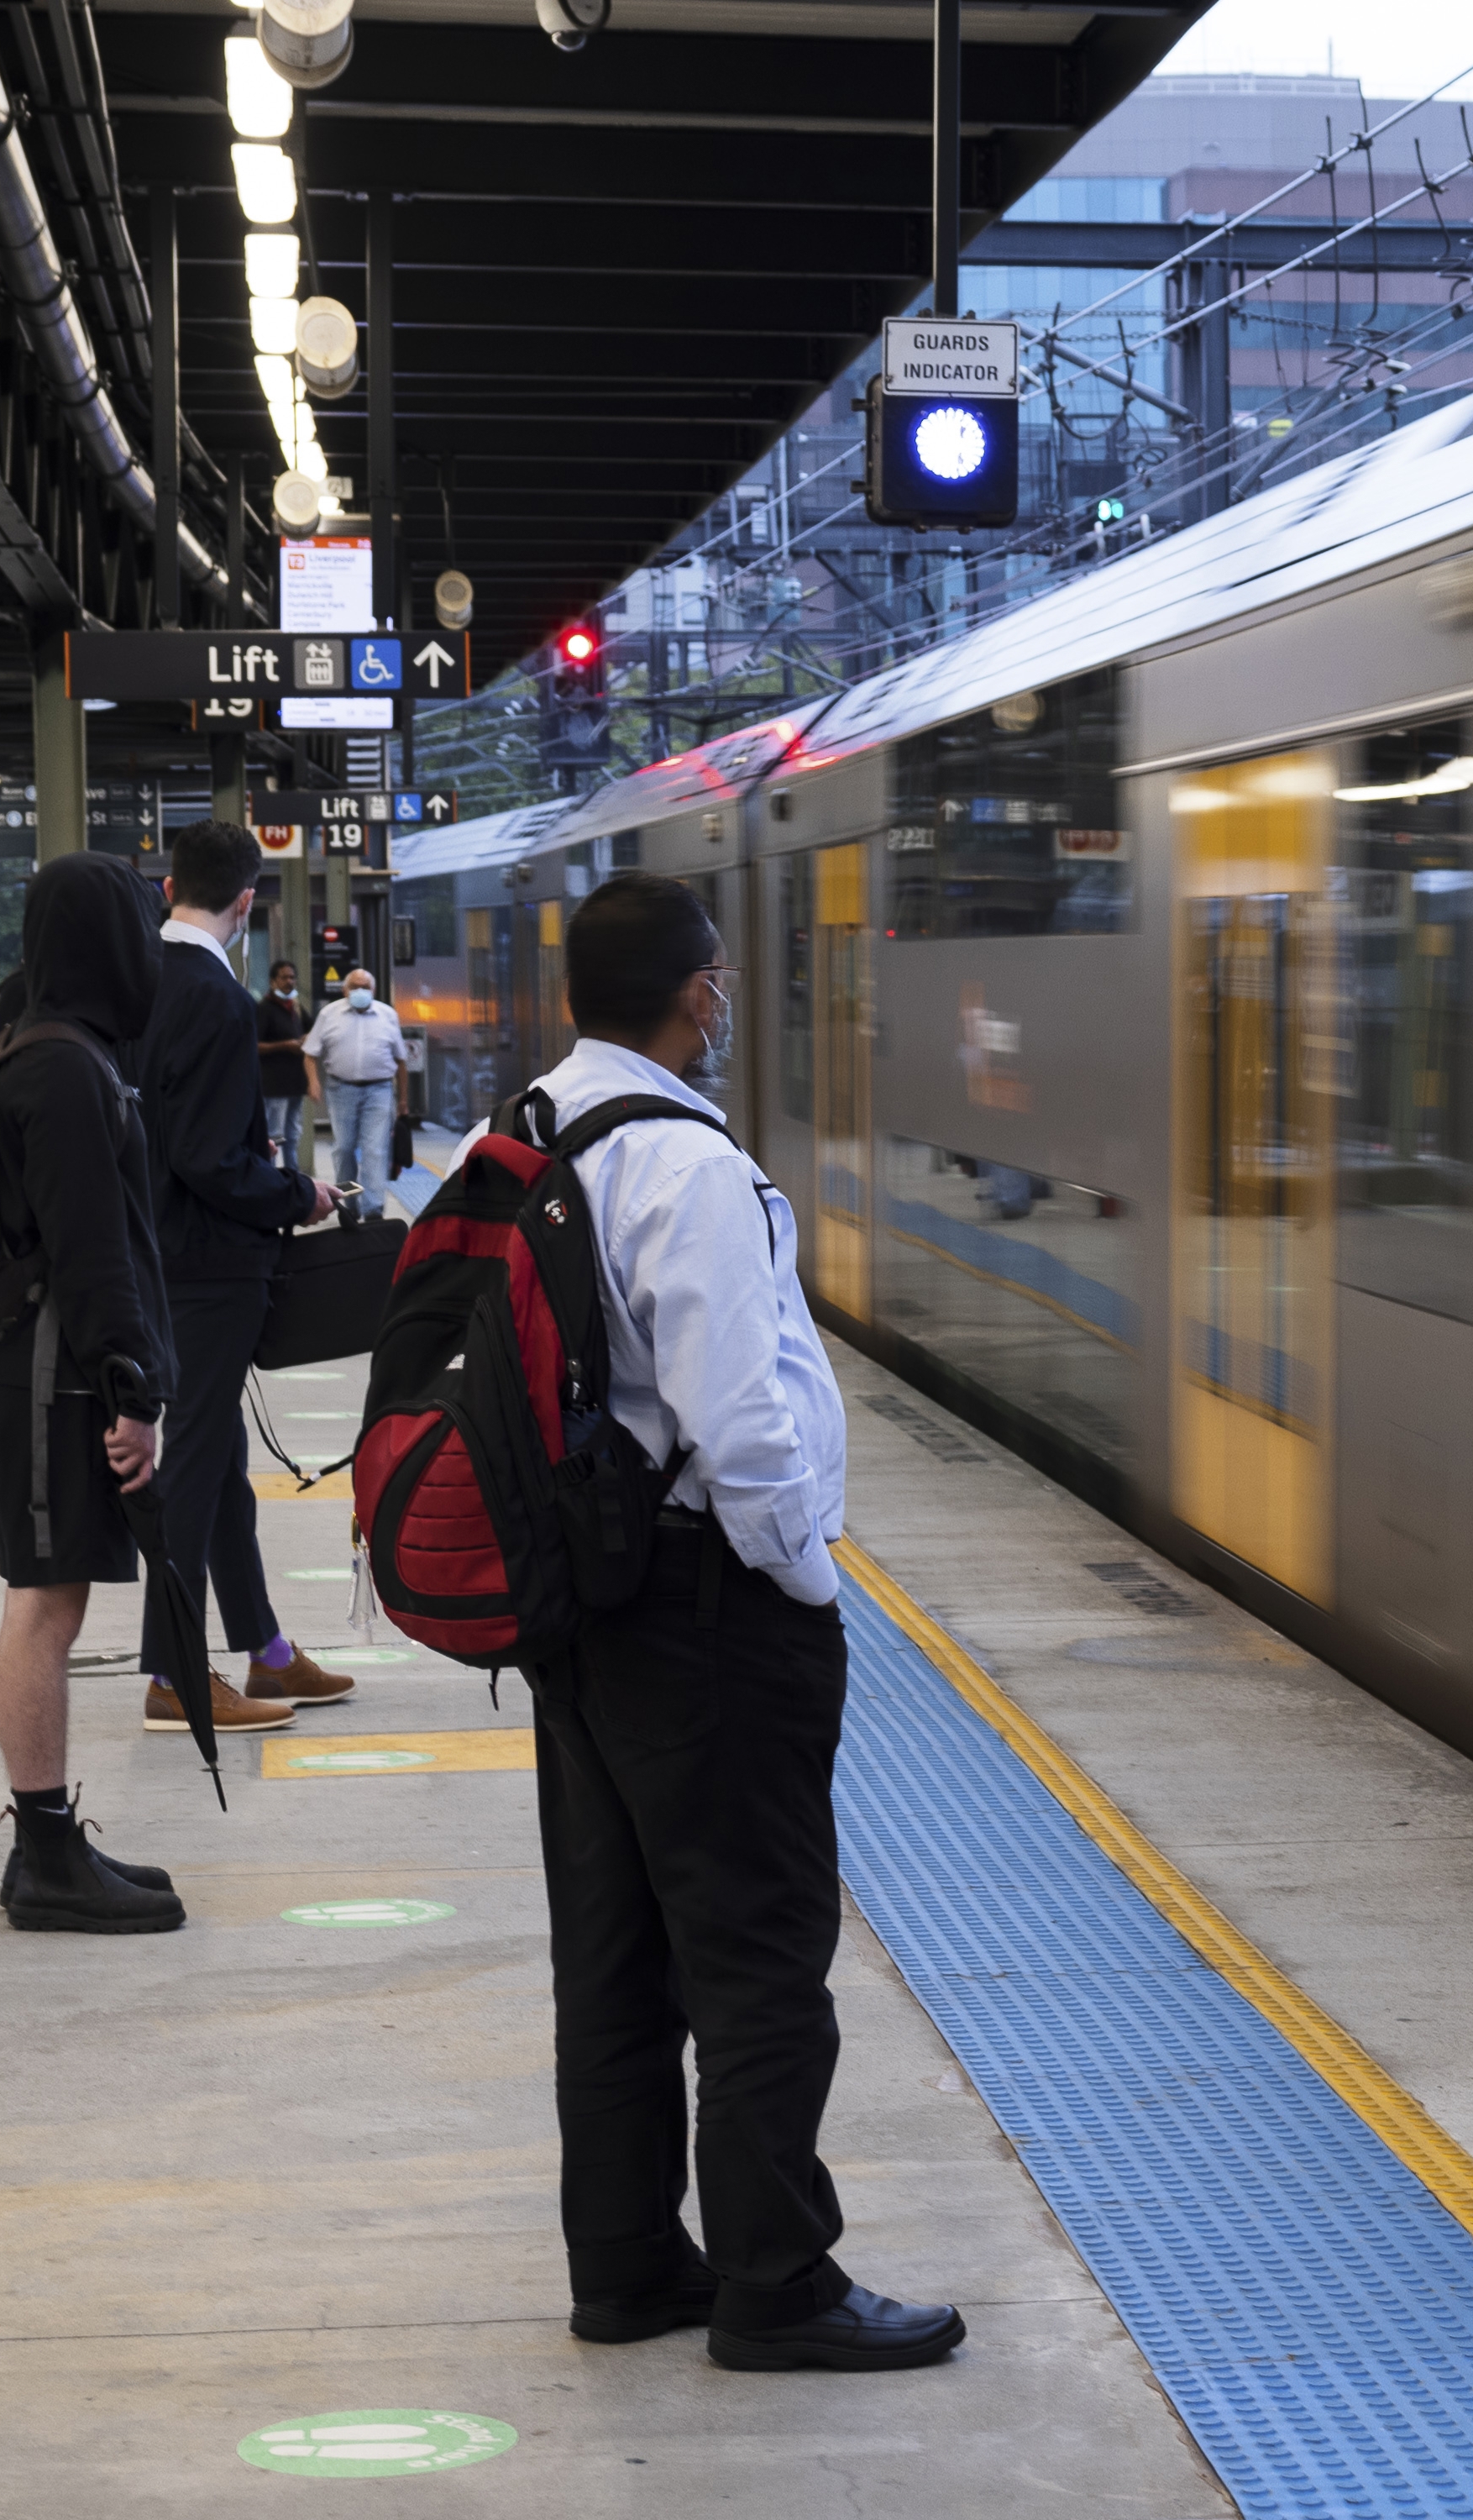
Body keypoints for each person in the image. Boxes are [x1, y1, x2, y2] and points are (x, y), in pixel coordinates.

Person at [522, 874, 960, 2372]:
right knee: (763, 1952)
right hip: (708, 1606)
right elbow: (740, 1419)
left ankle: (632, 2261)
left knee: (617, 1949)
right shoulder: (685, 1164)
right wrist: (807, 1578)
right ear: (696, 993)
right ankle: (777, 2280)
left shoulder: (526, 1130)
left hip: (582, 1608)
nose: (725, 1001)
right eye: (718, 981)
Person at [0, 855, 184, 1934]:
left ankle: (44, 1847)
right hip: (61, 1376)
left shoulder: (52, 1046)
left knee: (51, 1599)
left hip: (57, 1372)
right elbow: (90, 1248)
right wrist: (131, 1388)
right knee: (46, 1603)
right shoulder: (61, 1068)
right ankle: (45, 1851)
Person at [136, 819, 357, 1741]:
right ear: (247, 902)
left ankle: (264, 1650)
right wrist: (299, 1192)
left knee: (219, 1457)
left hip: (159, 1254)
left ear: (166, 890)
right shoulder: (217, 998)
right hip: (210, 1266)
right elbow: (209, 1159)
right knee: (194, 1460)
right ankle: (173, 1674)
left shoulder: (142, 977)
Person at [304, 965, 406, 1225]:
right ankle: (348, 1204)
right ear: (344, 990)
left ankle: (374, 1209)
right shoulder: (329, 1014)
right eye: (355, 987)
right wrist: (313, 1082)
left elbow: (401, 1060)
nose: (360, 991)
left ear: (374, 990)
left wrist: (404, 1100)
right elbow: (310, 1053)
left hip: (380, 1090)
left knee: (375, 1149)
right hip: (342, 1090)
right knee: (345, 1148)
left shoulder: (387, 1015)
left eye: (365, 987)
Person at [256, 958, 309, 1170]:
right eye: (284, 977)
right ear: (273, 981)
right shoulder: (265, 1009)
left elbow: (312, 1029)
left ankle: (292, 1177)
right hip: (274, 1085)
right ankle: (271, 1177)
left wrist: (306, 1039)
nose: (289, 982)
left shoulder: (295, 1007)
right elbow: (255, 1045)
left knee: (293, 1135)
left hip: (296, 1083)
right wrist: (285, 1045)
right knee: (274, 1137)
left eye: (292, 977)